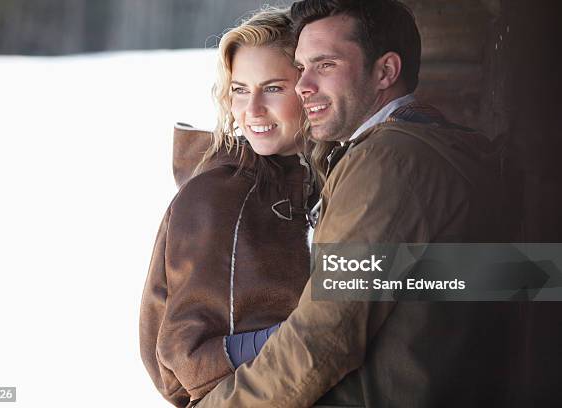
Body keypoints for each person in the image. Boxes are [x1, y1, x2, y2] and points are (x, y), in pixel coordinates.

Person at [194, 1, 539, 407]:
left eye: (325, 65)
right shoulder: (431, 145)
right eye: (301, 67)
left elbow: (322, 340)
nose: (303, 84)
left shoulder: (390, 162)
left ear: (385, 72)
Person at [139, 8, 318, 408]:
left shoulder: (317, 177)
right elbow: (185, 360)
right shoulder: (220, 195)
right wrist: (301, 335)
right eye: (240, 89)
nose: (251, 109)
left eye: (273, 88)